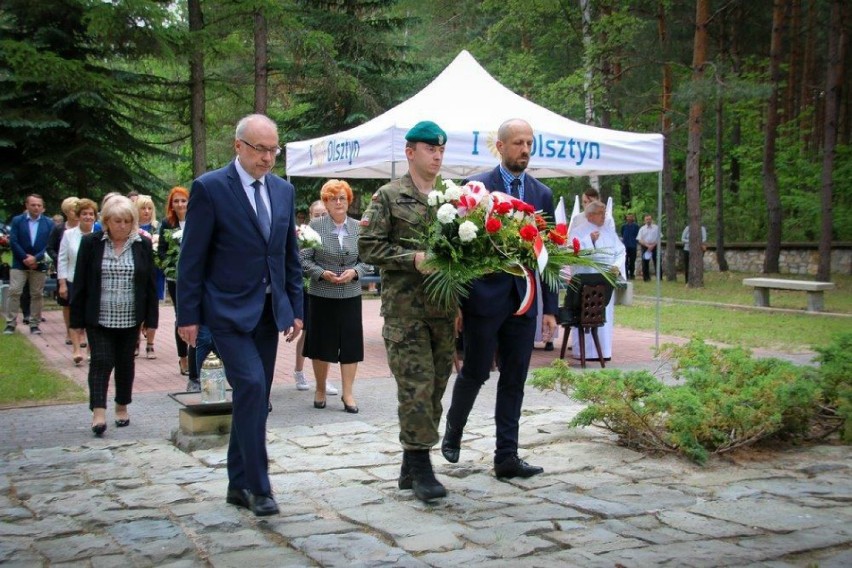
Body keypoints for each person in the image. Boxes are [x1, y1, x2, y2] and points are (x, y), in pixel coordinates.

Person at [177, 113, 303, 517]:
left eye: (274, 150)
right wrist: (187, 316)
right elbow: (191, 257)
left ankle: (235, 484)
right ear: (238, 146)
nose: (268, 158)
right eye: (260, 149)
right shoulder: (210, 188)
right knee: (250, 388)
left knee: (256, 396)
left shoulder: (283, 191)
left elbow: (289, 256)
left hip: (269, 312)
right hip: (226, 311)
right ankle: (258, 486)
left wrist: (295, 308)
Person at [441, 118, 556, 480]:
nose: (524, 149)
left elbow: (549, 255)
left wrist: (551, 310)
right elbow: (458, 252)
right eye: (518, 143)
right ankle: (454, 430)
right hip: (483, 301)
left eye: (529, 143)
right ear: (501, 146)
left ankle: (506, 456)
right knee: (475, 371)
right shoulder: (476, 187)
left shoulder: (542, 194)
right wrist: (458, 303)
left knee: (514, 379)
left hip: (524, 303)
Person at [359, 120, 456, 502]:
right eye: (430, 148)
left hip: (444, 311)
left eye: (441, 149)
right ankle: (422, 468)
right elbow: (367, 246)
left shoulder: (453, 196)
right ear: (410, 152)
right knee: (416, 390)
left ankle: (409, 464)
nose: (437, 155)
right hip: (405, 313)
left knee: (435, 391)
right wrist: (412, 258)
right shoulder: (388, 196)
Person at [70, 196, 158, 436]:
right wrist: (76, 323)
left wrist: (151, 321)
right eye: (117, 221)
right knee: (101, 361)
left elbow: (149, 285)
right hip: (98, 316)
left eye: (127, 221)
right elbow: (80, 283)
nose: (122, 226)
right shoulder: (91, 243)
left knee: (125, 363)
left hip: (130, 316)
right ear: (106, 221)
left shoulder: (142, 244)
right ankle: (98, 411)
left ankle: (122, 405)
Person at [300, 180, 370, 412]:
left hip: (350, 294)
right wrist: (321, 273)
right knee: (321, 344)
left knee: (350, 345)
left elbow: (368, 260)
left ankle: (348, 394)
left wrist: (355, 272)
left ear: (348, 201)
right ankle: (320, 389)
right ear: (326, 203)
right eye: (332, 198)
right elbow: (303, 258)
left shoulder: (359, 226)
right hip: (322, 294)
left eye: (342, 198)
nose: (338, 202)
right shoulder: (315, 225)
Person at [569, 200, 625, 360]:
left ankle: (604, 351)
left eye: (604, 212)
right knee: (585, 312)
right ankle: (583, 351)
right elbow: (574, 252)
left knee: (603, 312)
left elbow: (621, 251)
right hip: (587, 278)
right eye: (601, 213)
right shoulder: (578, 231)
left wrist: (616, 265)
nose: (604, 216)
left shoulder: (608, 231)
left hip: (605, 278)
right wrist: (590, 241)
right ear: (590, 215)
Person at [293, 199, 338, 395]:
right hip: (307, 287)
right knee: (306, 331)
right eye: (317, 214)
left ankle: (323, 378)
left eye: (323, 214)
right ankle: (299, 371)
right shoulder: (301, 235)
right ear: (310, 216)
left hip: (326, 287)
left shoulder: (332, 232)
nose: (320, 217)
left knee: (324, 333)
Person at [4, 194, 54, 335]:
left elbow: (49, 244)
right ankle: (10, 323)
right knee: (14, 291)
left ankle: (34, 323)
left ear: (42, 207)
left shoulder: (48, 223)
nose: (36, 207)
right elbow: (13, 241)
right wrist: (25, 257)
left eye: (39, 205)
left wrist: (36, 258)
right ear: (26, 206)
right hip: (20, 263)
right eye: (33, 205)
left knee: (37, 294)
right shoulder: (17, 221)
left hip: (39, 264)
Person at [58, 198, 97, 366]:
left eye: (91, 214)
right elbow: (62, 260)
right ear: (78, 216)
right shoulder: (69, 235)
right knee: (75, 315)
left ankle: (91, 349)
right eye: (84, 214)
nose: (88, 217)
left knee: (93, 317)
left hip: (95, 282)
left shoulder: (100, 235)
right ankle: (76, 349)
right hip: (74, 281)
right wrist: (62, 283)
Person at [158, 186, 191, 377]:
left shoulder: (196, 220)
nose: (180, 204)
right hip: (175, 278)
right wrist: (170, 266)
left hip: (195, 278)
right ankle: (183, 357)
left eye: (183, 200)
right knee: (181, 317)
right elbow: (162, 250)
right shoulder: (167, 223)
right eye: (176, 201)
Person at [48, 197, 80, 345]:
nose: (76, 213)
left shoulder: (85, 227)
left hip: (80, 269)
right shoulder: (60, 229)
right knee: (67, 303)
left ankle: (81, 332)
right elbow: (51, 247)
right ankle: (69, 331)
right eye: (73, 210)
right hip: (65, 270)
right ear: (67, 212)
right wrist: (58, 259)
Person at [135, 195, 161, 359]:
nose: (146, 211)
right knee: (137, 306)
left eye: (149, 208)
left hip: (154, 273)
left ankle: (150, 344)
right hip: (138, 273)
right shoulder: (131, 227)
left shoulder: (157, 228)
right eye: (143, 208)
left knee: (153, 307)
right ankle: (135, 341)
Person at [637, 214, 660, 282]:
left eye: (649, 219)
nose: (648, 221)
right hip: (645, 246)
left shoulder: (656, 228)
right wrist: (647, 246)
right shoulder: (642, 229)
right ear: (644, 221)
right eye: (647, 219)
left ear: (651, 220)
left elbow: (659, 238)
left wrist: (653, 245)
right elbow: (639, 239)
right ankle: (646, 278)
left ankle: (659, 277)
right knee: (645, 262)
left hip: (655, 246)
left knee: (657, 261)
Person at [620, 213, 639, 280]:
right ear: (626, 218)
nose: (629, 219)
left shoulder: (636, 226)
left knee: (632, 261)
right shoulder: (624, 226)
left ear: (633, 218)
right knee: (625, 261)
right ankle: (625, 274)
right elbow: (622, 234)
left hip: (633, 246)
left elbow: (638, 235)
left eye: (631, 217)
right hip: (625, 246)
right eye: (628, 217)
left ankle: (632, 274)